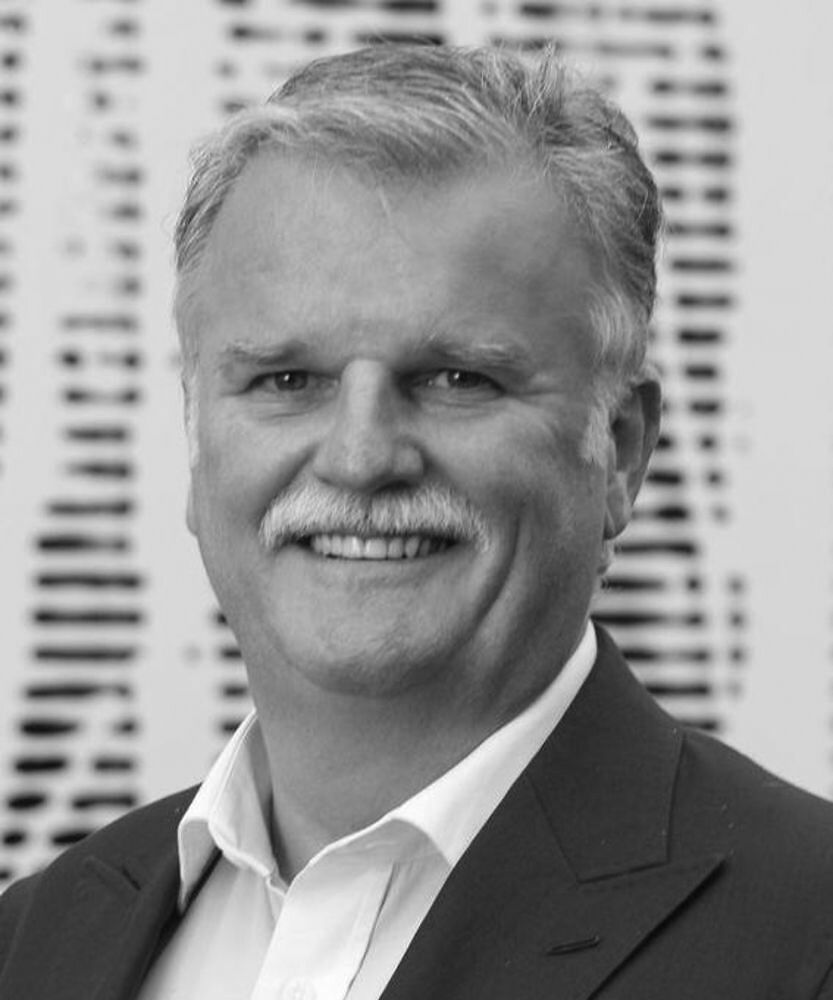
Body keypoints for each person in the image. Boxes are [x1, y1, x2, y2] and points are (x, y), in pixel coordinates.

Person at [1, 42, 833, 1000]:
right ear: (195, 437)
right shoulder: (33, 942)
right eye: (286, 380)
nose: (360, 456)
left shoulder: (807, 937)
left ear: (620, 450)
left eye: (455, 379)